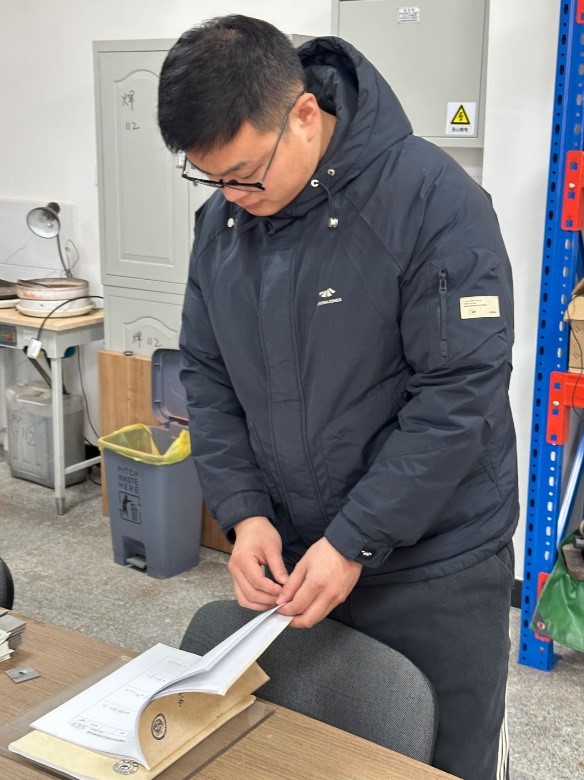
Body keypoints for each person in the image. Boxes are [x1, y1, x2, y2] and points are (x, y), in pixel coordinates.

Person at [158, 15, 518, 780]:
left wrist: (356, 538)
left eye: (245, 173)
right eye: (211, 178)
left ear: (303, 115)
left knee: (439, 764)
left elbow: (458, 395)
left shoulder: (434, 200)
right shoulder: (223, 224)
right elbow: (209, 379)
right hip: (298, 556)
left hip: (434, 565)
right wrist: (244, 512)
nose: (231, 195)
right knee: (297, 757)